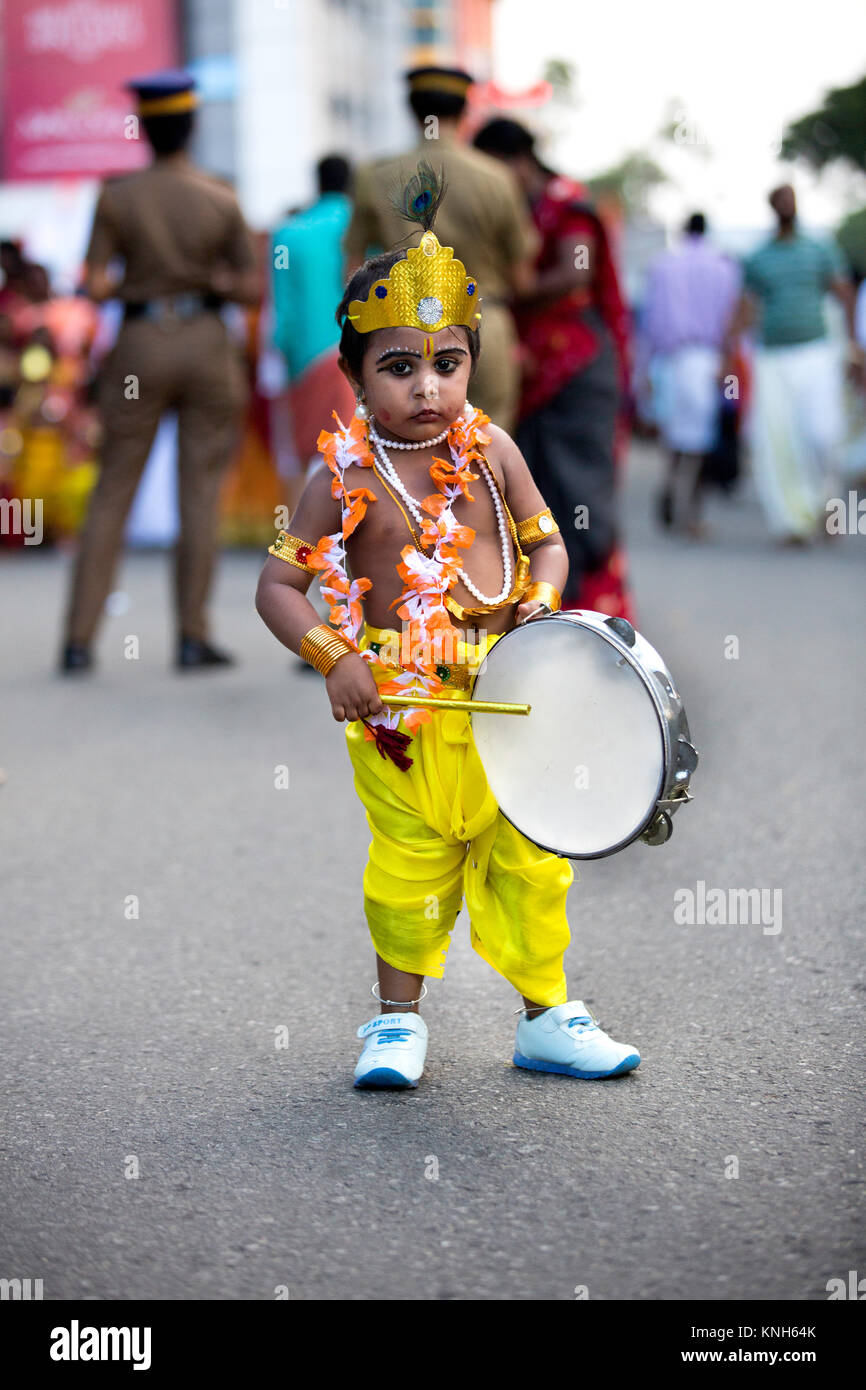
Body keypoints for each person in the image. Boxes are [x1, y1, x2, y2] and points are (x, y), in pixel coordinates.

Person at [255, 167, 641, 1089]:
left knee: (530, 855)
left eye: (448, 363)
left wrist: (541, 616)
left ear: (472, 361)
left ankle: (546, 1015)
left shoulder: (495, 448)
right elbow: (277, 585)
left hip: (509, 684)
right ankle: (396, 1024)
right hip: (402, 702)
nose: (428, 388)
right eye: (398, 367)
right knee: (410, 865)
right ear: (349, 374)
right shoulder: (337, 478)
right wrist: (333, 653)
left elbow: (548, 548)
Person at [60, 69, 259, 673]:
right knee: (197, 493)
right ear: (193, 126)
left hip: (141, 344)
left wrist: (136, 283)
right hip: (204, 343)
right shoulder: (221, 196)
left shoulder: (116, 197)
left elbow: (92, 285)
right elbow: (251, 288)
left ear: (141, 129)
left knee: (112, 489)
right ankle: (193, 637)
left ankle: (79, 640)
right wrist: (207, 280)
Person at [472, 117, 633, 620]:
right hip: (536, 370)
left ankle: (590, 613)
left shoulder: (568, 206)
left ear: (514, 161)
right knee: (536, 491)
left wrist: (505, 294)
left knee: (577, 489)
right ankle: (547, 612)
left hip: (576, 369)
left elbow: (576, 271)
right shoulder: (526, 208)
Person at [343, 67, 538, 434]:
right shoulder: (497, 178)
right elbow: (522, 280)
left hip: (399, 328)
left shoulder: (373, 175)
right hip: (483, 326)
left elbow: (353, 274)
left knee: (405, 457)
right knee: (485, 453)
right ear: (465, 112)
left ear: (412, 111)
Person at [723, 184, 862, 545]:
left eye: (791, 199)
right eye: (780, 200)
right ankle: (792, 523)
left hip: (815, 353)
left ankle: (828, 498)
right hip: (773, 358)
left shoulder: (818, 249)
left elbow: (843, 292)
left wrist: (852, 346)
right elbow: (746, 306)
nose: (787, 205)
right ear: (773, 207)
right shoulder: (759, 257)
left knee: (823, 433)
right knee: (778, 442)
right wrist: (728, 350)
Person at [642, 212, 742, 535]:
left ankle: (672, 485)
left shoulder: (663, 266)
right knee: (700, 440)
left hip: (669, 360)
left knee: (675, 434)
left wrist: (644, 371)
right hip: (707, 360)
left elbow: (649, 321)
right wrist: (728, 367)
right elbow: (734, 320)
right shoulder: (725, 268)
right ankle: (692, 513)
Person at [271, 154, 356, 470]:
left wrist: (285, 358)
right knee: (356, 455)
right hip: (359, 353)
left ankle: (302, 520)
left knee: (310, 456)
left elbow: (283, 312)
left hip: (306, 357)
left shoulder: (290, 233)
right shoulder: (361, 230)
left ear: (317, 183)